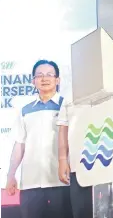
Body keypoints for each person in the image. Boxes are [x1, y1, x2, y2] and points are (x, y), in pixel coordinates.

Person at [5, 59, 71, 218]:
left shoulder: (68, 106)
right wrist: (11, 174)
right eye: (39, 75)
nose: (44, 78)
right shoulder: (26, 110)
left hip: (60, 181)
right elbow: (19, 144)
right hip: (30, 184)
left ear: (57, 80)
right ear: (33, 81)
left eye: (49, 74)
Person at [57, 97, 92, 217]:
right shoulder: (70, 93)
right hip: (78, 166)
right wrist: (62, 159)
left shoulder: (112, 85)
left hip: (107, 163)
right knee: (81, 211)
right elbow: (63, 127)